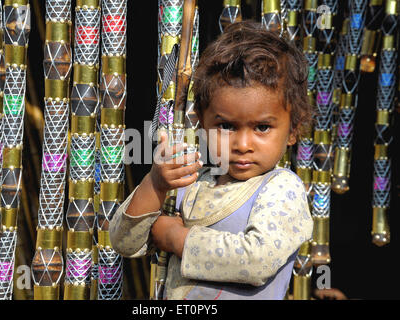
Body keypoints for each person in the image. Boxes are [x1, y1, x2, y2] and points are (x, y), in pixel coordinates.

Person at [109, 20, 314, 300]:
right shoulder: (189, 183)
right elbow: (123, 241)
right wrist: (155, 185)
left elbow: (257, 261)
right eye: (227, 127)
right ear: (202, 123)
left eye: (262, 127)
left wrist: (176, 238)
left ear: (293, 129)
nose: (243, 145)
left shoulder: (281, 188)